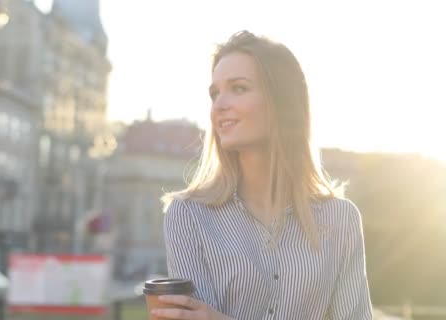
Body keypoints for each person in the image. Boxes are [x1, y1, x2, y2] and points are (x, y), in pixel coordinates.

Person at [153, 31, 373, 319]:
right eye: (215, 93)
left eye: (239, 88)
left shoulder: (341, 219)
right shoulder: (188, 215)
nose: (219, 105)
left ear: (282, 102)